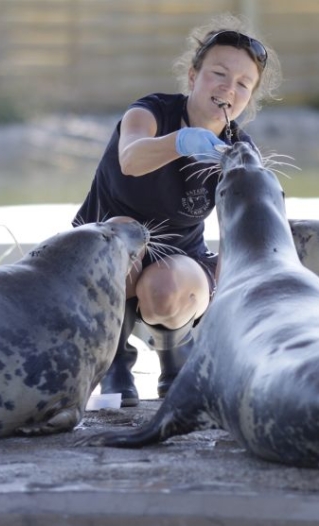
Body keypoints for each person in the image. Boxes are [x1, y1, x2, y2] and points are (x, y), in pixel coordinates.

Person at [72, 14, 281, 407]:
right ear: (192, 76)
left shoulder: (237, 152)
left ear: (249, 98)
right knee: (122, 229)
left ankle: (176, 353)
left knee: (165, 290)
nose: (228, 88)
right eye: (218, 74)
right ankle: (113, 359)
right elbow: (131, 159)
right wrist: (181, 142)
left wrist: (224, 317)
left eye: (242, 84)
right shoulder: (149, 113)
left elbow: (237, 236)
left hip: (179, 261)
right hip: (106, 252)